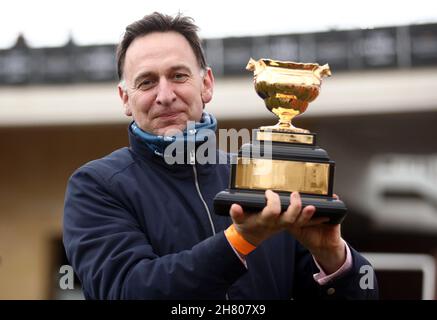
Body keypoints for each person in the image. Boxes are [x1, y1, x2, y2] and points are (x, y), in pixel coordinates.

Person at [63, 12, 378, 300]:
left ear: (206, 84)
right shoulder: (96, 185)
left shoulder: (261, 175)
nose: (165, 96)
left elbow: (364, 293)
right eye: (147, 82)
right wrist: (239, 241)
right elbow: (127, 291)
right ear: (125, 99)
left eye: (178, 76)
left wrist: (333, 255)